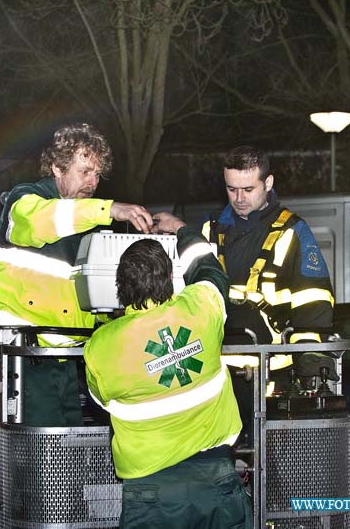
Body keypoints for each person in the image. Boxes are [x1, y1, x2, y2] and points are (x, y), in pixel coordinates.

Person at [84, 213, 253, 529]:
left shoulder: (102, 346)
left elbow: (101, 401)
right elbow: (208, 269)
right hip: (216, 479)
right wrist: (183, 230)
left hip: (150, 493)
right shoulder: (201, 308)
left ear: (121, 286)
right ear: (171, 277)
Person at [0, 122, 153, 426]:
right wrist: (109, 210)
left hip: (66, 362)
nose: (92, 182)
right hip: (23, 359)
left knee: (67, 458)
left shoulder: (86, 221)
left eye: (97, 174)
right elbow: (38, 223)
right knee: (42, 462)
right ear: (57, 168)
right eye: (84, 172)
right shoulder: (25, 199)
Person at [201, 145, 335, 349]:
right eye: (231, 189)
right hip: (219, 365)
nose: (239, 199)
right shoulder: (210, 228)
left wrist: (309, 354)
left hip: (272, 366)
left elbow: (313, 297)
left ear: (268, 183)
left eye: (248, 189)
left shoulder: (292, 230)